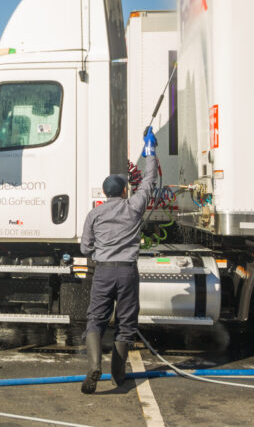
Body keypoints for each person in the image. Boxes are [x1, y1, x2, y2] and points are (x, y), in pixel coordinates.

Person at [79, 128, 158, 394]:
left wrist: (98, 252)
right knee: (126, 323)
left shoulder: (95, 214)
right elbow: (149, 180)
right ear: (124, 190)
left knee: (95, 320)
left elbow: (84, 246)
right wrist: (150, 152)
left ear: (104, 193)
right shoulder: (134, 206)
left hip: (102, 272)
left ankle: (93, 365)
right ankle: (118, 376)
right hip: (127, 272)